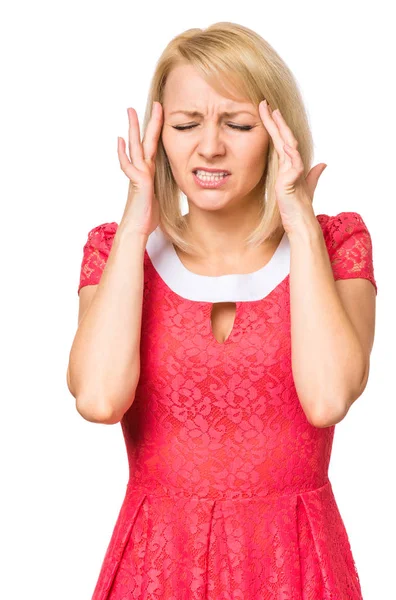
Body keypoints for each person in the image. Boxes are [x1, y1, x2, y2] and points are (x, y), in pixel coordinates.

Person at [67, 21, 377, 600]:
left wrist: (300, 227)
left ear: (277, 131)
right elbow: (99, 399)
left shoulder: (335, 246)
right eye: (186, 125)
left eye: (237, 124)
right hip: (157, 566)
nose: (210, 146)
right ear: (160, 133)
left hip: (296, 564)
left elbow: (328, 398)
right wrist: (138, 218)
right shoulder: (116, 252)